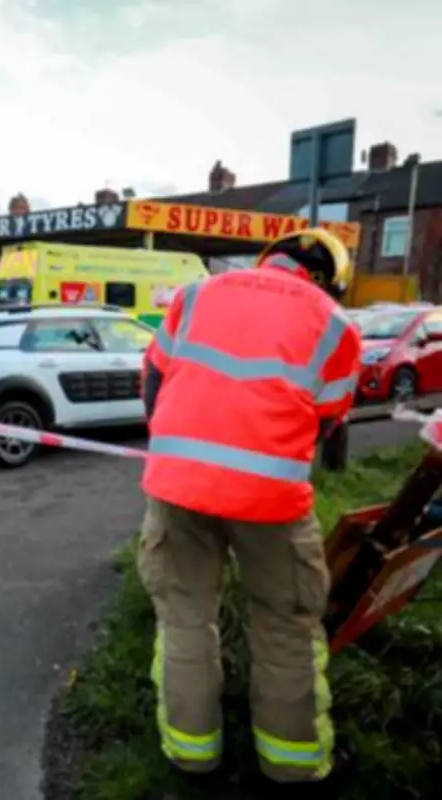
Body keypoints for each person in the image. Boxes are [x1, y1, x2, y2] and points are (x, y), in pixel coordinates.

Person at [137, 229, 361, 798]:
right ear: (330, 278)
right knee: (285, 623)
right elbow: (329, 420)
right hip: (272, 499)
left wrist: (176, 444)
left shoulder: (197, 295)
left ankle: (192, 757)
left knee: (185, 617)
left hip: (177, 486)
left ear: (270, 259)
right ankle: (291, 766)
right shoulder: (337, 324)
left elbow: (154, 379)